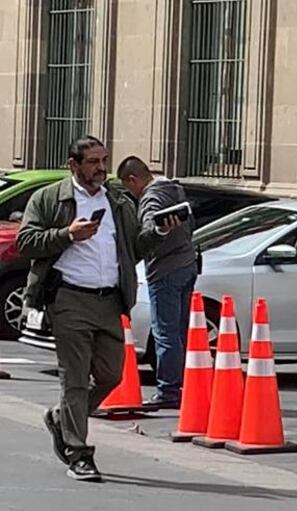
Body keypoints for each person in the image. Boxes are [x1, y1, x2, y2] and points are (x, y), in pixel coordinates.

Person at [17, 136, 183, 482]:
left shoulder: (117, 201)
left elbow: (134, 247)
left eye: (104, 160)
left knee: (111, 375)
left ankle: (62, 418)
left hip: (110, 300)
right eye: (93, 161)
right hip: (69, 299)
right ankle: (78, 451)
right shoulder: (50, 198)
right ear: (73, 165)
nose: (101, 168)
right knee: (74, 379)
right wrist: (67, 234)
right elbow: (26, 242)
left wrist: (159, 232)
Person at [117, 156, 198, 409]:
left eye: (127, 187)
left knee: (165, 332)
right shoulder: (175, 190)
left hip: (165, 269)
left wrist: (148, 235)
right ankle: (181, 385)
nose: (130, 193)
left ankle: (168, 390)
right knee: (179, 331)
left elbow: (150, 230)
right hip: (187, 263)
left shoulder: (151, 197)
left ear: (133, 179)